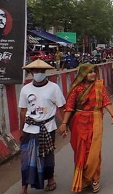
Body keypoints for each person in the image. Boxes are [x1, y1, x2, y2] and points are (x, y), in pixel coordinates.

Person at [58, 63, 113, 193]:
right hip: (79, 122)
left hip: (96, 120)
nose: (92, 74)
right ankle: (84, 180)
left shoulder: (99, 86)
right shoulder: (77, 89)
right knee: (81, 150)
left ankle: (95, 179)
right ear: (83, 74)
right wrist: (64, 123)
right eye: (89, 72)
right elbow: (69, 107)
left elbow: (106, 101)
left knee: (94, 151)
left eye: (94, 72)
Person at [19, 59, 66, 194]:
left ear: (45, 72)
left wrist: (64, 124)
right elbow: (23, 110)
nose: (38, 73)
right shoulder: (25, 89)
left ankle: (50, 179)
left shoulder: (54, 88)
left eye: (41, 71)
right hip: (30, 128)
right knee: (26, 158)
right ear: (31, 72)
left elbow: (61, 107)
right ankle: (24, 186)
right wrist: (22, 128)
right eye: (35, 71)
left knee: (47, 155)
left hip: (48, 127)